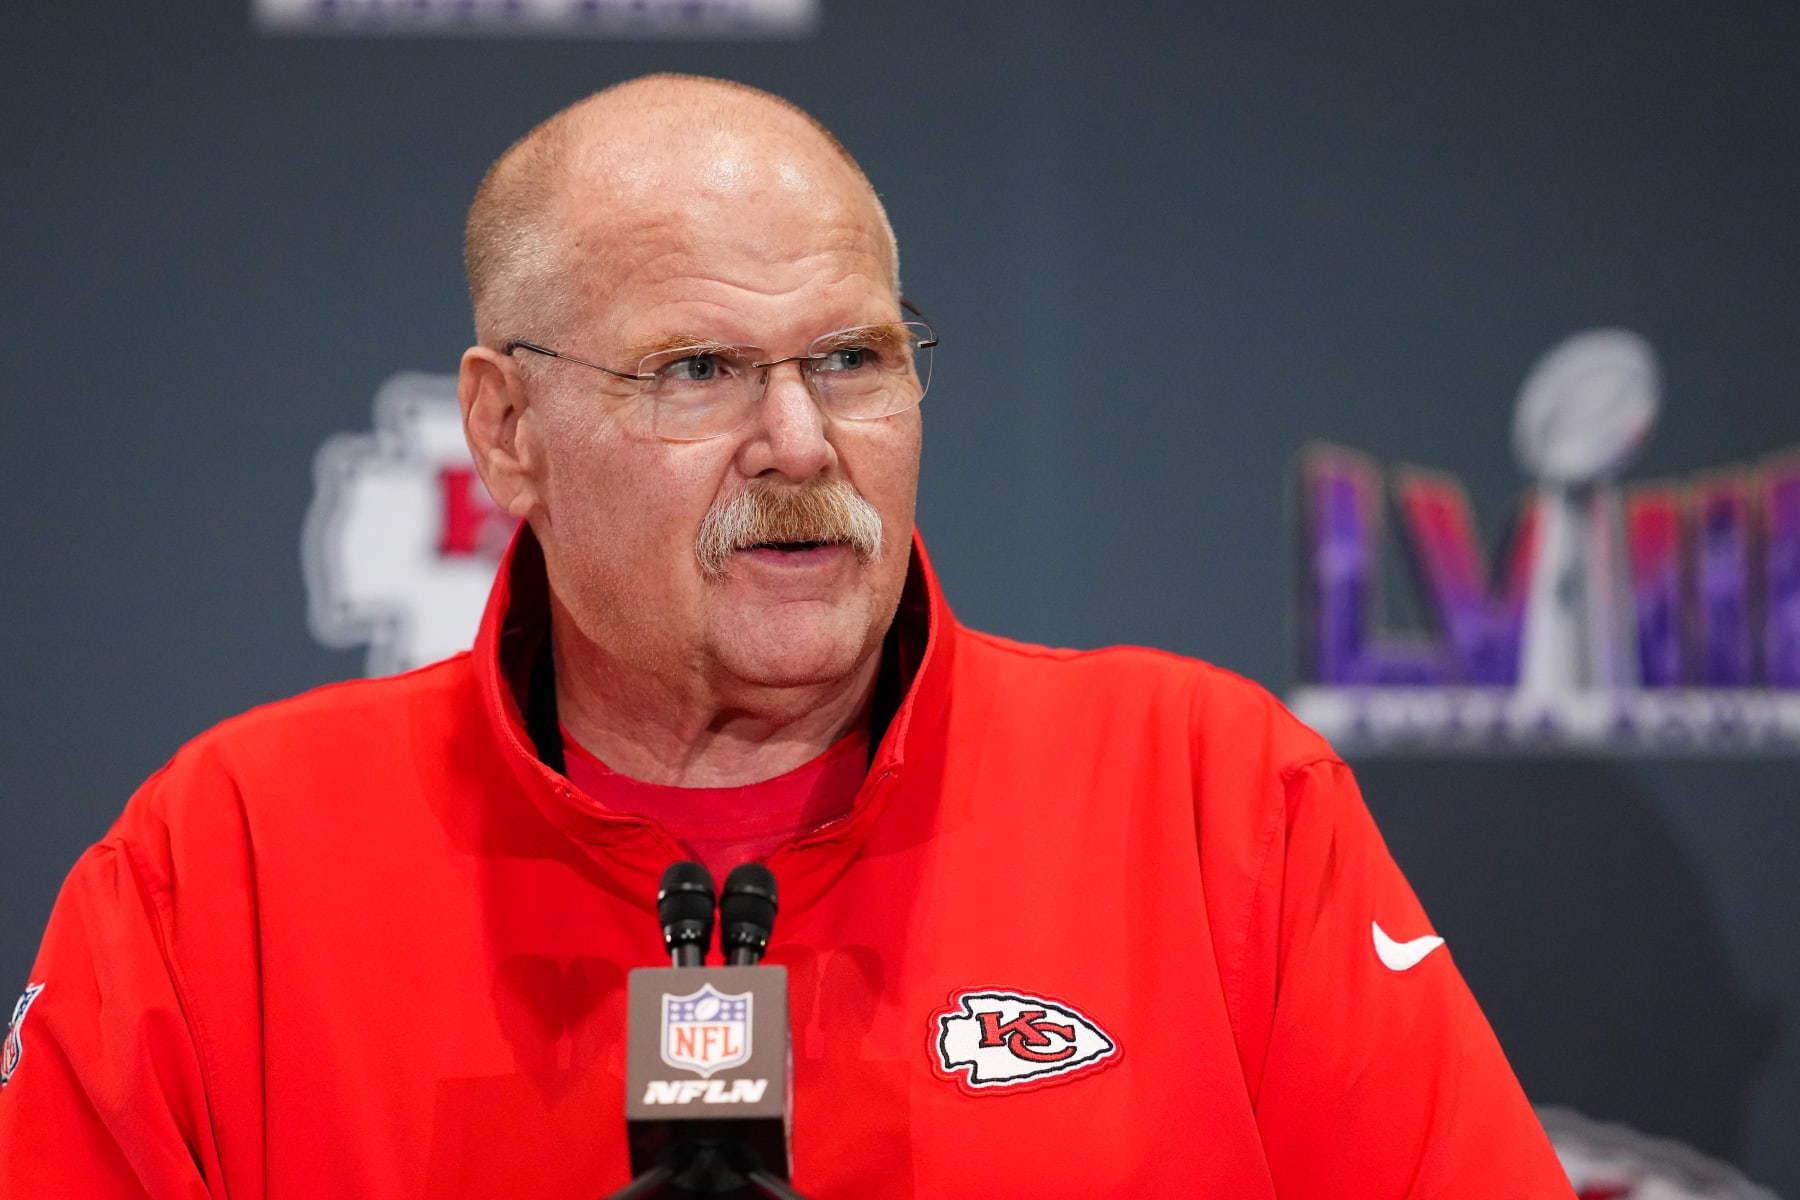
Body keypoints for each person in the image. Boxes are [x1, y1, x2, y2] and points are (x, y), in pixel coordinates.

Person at [0, 74, 1575, 1197]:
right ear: (507, 427)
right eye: (695, 369)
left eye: (853, 358)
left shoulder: (1212, 793)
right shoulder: (230, 858)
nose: (802, 443)